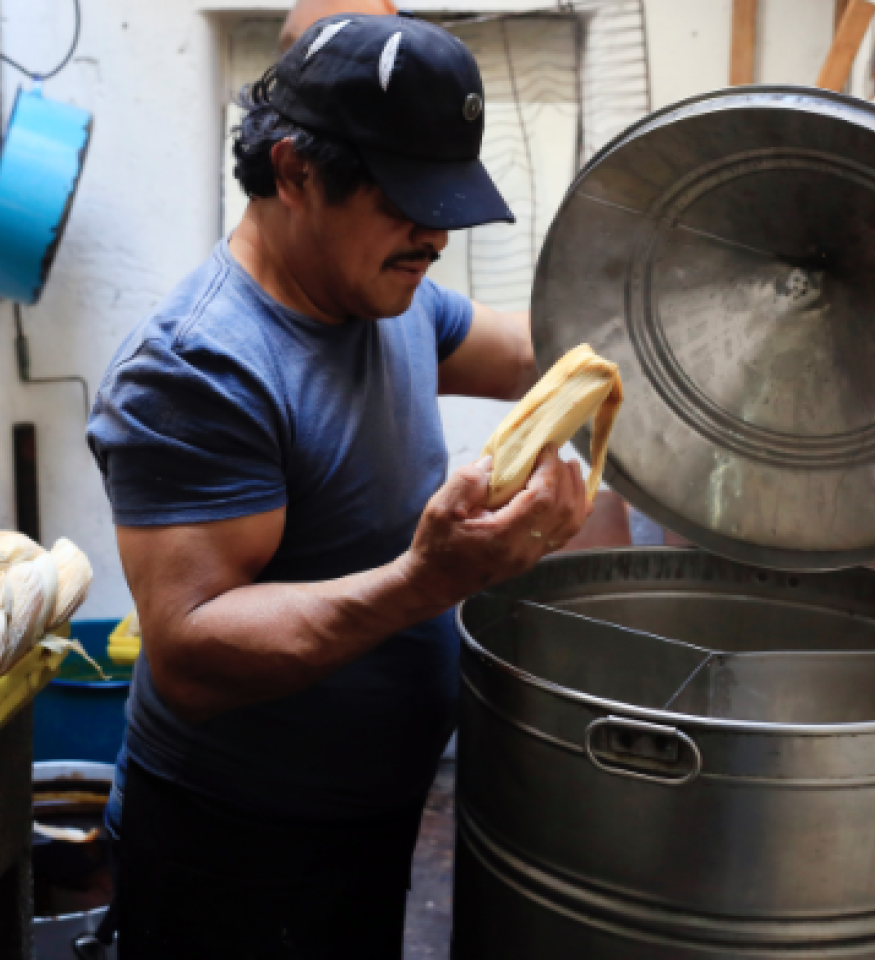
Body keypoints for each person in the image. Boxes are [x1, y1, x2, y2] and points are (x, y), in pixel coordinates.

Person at [87, 13, 591, 958]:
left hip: (367, 817)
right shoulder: (200, 367)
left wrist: (695, 319)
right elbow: (191, 656)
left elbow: (537, 351)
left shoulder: (387, 294)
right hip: (236, 850)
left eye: (447, 203)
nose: (435, 237)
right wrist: (426, 581)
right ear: (294, 170)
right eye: (408, 200)